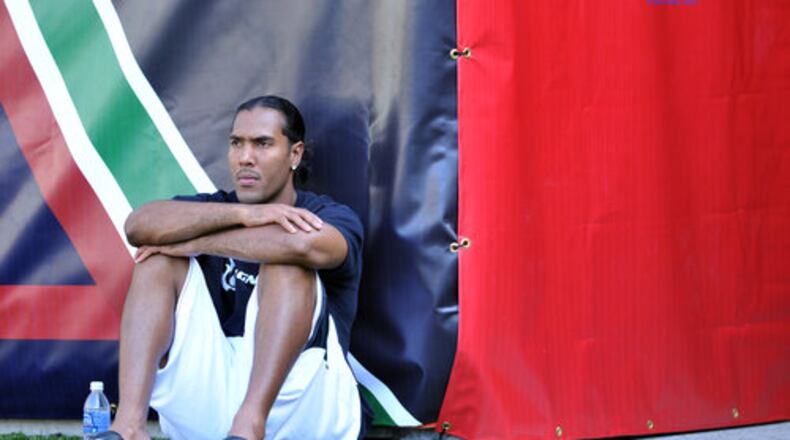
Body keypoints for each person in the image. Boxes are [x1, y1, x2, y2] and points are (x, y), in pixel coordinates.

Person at [100, 96, 365, 440]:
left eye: (263, 144)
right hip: (214, 401)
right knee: (159, 260)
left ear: (294, 154)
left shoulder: (328, 214)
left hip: (304, 406)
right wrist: (245, 215)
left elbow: (304, 244)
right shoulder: (219, 208)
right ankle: (129, 427)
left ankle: (249, 426)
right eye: (236, 143)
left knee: (288, 265)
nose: (245, 157)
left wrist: (201, 242)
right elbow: (138, 226)